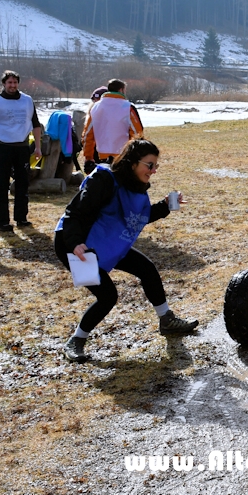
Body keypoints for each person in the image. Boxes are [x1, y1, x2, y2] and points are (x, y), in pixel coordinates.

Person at [55, 138, 198, 362]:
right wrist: (75, 243)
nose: (153, 171)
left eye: (156, 166)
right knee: (107, 296)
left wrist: (166, 206)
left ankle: (167, 320)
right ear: (132, 163)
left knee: (146, 268)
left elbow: (137, 218)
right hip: (74, 244)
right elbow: (75, 212)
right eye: (149, 165)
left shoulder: (135, 188)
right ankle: (76, 341)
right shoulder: (104, 179)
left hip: (106, 242)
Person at [0, 70, 42, 232]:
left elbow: (35, 124)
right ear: (4, 84)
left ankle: (21, 218)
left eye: (15, 82)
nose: (12, 85)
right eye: (9, 82)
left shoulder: (27, 101)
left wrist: (37, 147)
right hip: (3, 147)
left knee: (23, 184)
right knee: (0, 186)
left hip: (22, 147)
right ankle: (1, 221)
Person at [82, 79, 143, 168]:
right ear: (121, 90)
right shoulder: (128, 107)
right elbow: (137, 133)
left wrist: (88, 156)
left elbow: (88, 134)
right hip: (122, 155)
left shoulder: (96, 107)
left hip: (100, 154)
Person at [82, 86, 108, 174]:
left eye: (99, 100)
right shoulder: (93, 114)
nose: (96, 102)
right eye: (94, 100)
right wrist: (88, 157)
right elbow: (88, 136)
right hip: (96, 151)